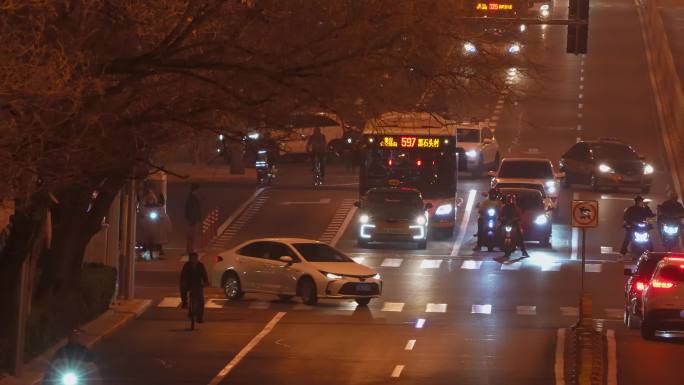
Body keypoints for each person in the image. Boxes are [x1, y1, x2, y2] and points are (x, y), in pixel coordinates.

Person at [180, 252, 209, 323]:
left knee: (201, 300)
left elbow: (204, 275)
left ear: (197, 259)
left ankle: (200, 317)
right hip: (189, 283)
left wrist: (206, 282)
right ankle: (185, 303)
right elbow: (183, 275)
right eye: (192, 259)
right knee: (183, 289)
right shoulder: (186, 265)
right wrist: (183, 282)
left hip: (198, 284)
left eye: (195, 258)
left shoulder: (200, 265)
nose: (193, 260)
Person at [184, 184, 202, 253]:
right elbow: (192, 209)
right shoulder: (192, 198)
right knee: (191, 235)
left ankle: (189, 249)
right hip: (192, 220)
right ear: (196, 190)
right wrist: (193, 219)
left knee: (191, 235)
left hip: (191, 219)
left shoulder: (191, 197)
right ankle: (189, 249)